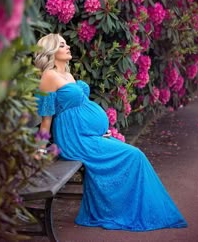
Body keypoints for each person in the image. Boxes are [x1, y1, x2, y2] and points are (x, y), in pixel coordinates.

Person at [34, 33, 188, 231]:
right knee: (134, 155)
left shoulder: (67, 74)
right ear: (52, 51)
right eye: (62, 45)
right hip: (74, 140)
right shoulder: (49, 76)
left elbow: (79, 107)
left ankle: (126, 207)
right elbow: (46, 119)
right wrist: (38, 150)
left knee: (133, 155)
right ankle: (122, 210)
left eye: (66, 43)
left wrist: (95, 129)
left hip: (88, 136)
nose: (68, 47)